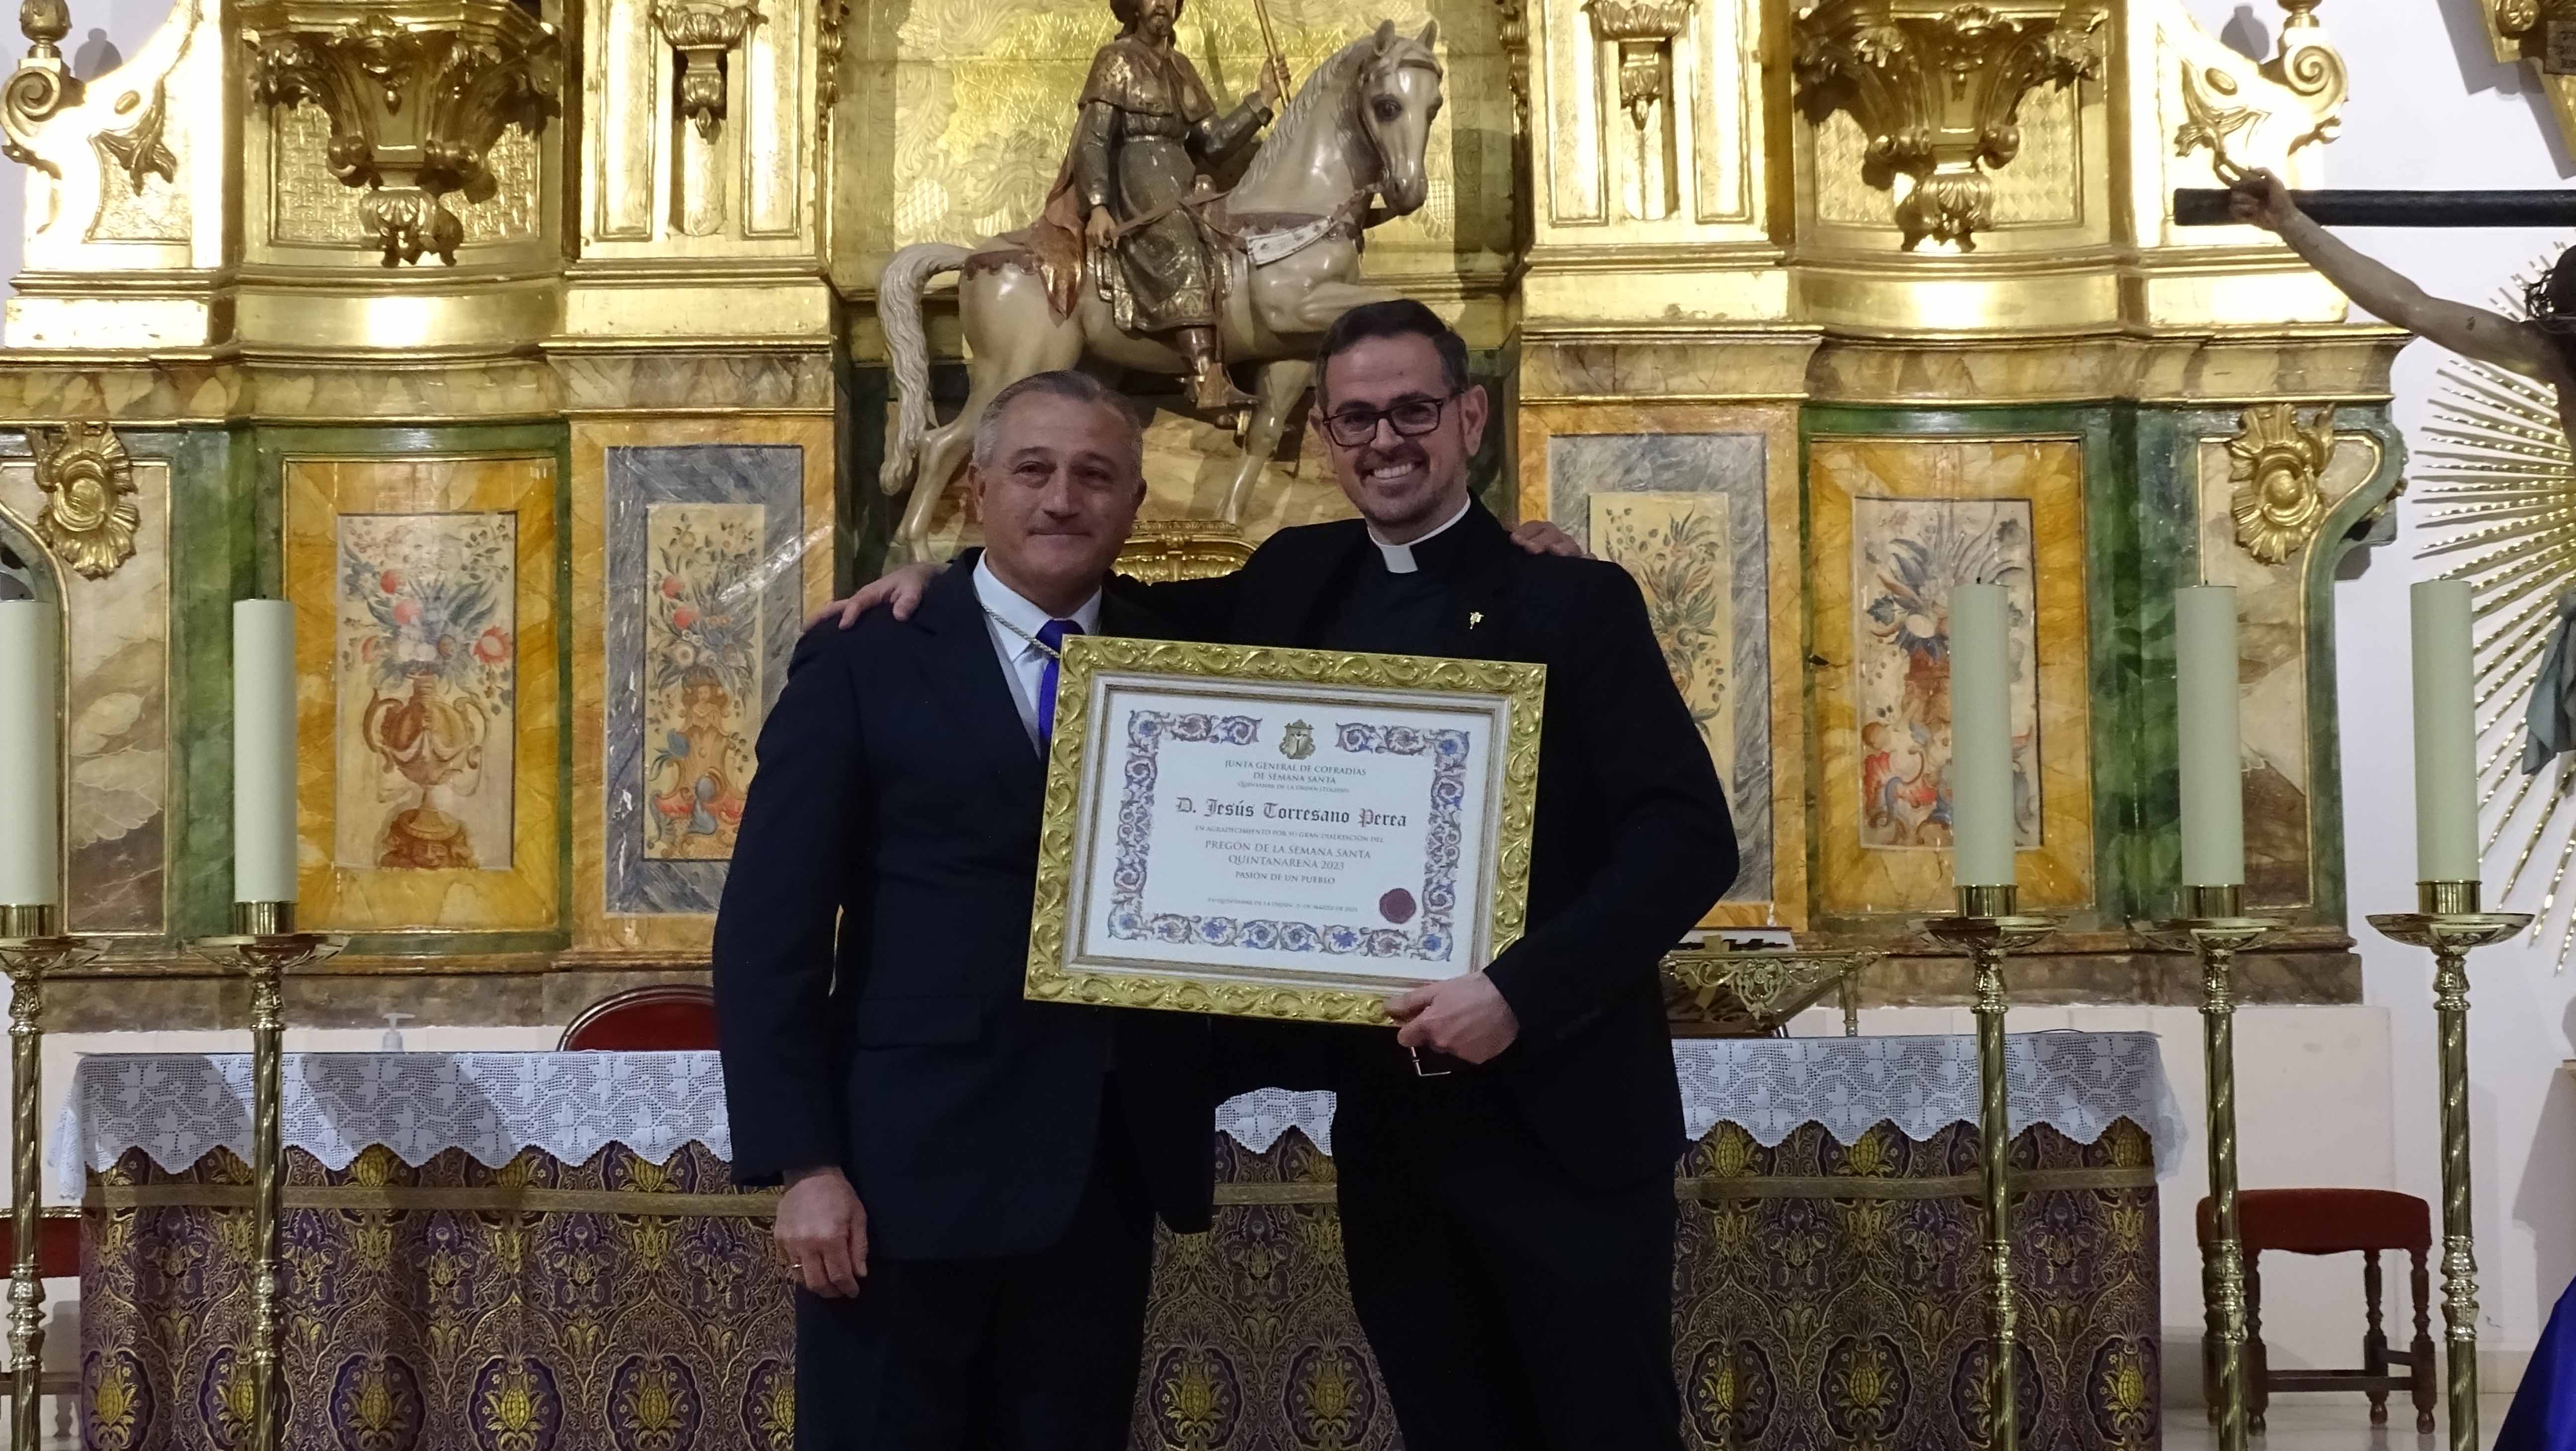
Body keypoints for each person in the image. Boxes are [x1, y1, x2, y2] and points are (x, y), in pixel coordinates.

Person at [837, 300, 1737, 1451]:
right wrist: (943, 585)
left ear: (1469, 418)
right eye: (1354, 417)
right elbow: (1103, 621)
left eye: (1412, 410)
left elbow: (1685, 839)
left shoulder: (1570, 600)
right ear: (1323, 434)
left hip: (1560, 1125)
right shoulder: (1294, 580)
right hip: (1394, 1134)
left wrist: (1517, 991)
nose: (1384, 440)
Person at [713, 370, 1217, 1451]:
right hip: (900, 1179)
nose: (1062, 499)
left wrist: (1527, 547)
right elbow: (769, 935)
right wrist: (804, 1164)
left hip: (1101, 1171)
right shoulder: (864, 657)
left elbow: (1348, 594)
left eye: (1096, 475)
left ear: (1135, 503)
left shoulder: (1184, 660)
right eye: (1031, 469)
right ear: (975, 489)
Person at [1032, 0, 1287, 414]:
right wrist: (1097, 204)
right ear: (1134, 5)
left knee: (1230, 239)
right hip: (1136, 176)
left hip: (1181, 176)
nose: (1162, 4)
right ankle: (1206, 377)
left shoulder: (1182, 67)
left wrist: (1262, 100)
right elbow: (1093, 139)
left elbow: (1215, 143)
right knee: (1177, 238)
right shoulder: (1115, 59)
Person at [2230, 169, 2576, 441]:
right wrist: (2291, 224)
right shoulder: (2553, 353)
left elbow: (2411, 307)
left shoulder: (2549, 354)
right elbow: (2409, 306)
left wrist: (2291, 224)